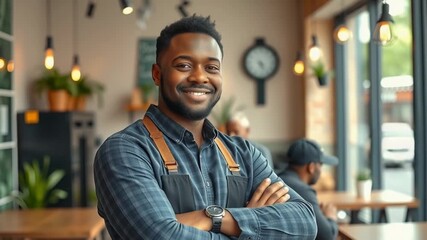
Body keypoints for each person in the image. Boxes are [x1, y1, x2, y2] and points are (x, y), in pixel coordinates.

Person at [94, 15, 317, 239]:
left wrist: (212, 217)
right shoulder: (124, 151)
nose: (200, 77)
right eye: (184, 65)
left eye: (211, 67)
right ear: (157, 74)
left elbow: (305, 222)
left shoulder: (244, 154)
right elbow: (161, 236)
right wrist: (250, 224)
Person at [278, 138, 339, 240]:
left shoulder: (278, 178)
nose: (321, 170)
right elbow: (327, 236)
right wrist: (331, 217)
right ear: (311, 167)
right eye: (321, 164)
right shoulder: (303, 191)